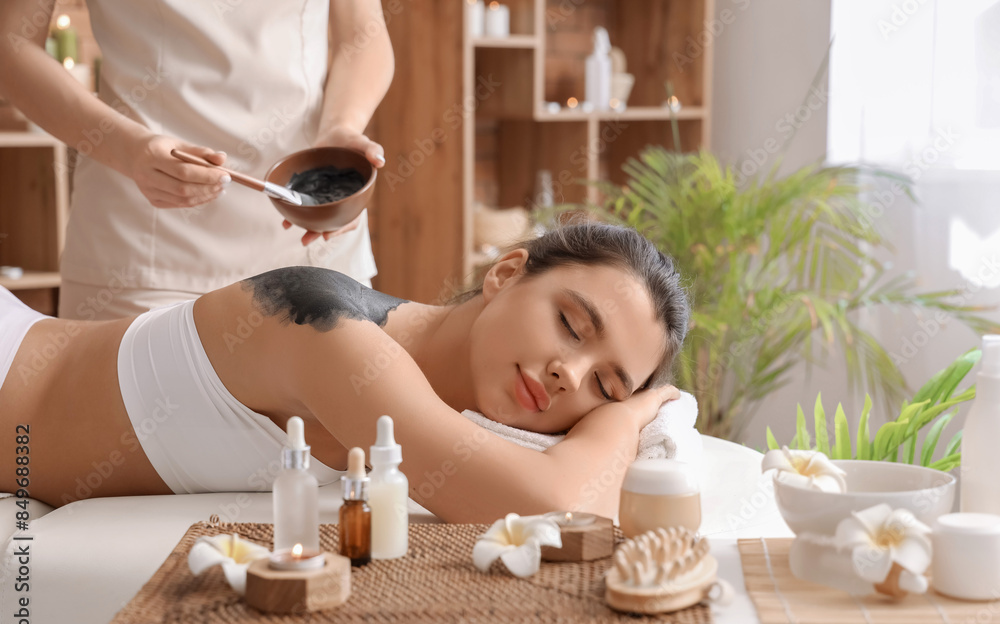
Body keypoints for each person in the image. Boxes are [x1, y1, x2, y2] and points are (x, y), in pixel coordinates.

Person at [0, 223, 690, 522]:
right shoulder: (335, 336)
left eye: (605, 384)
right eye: (571, 325)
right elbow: (556, 504)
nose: (571, 374)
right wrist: (629, 411)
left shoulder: (435, 390)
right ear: (507, 272)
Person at [0, 0, 394, 319]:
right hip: (141, 254)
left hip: (315, 243)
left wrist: (340, 130)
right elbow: (10, 44)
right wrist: (127, 148)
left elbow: (363, 33)